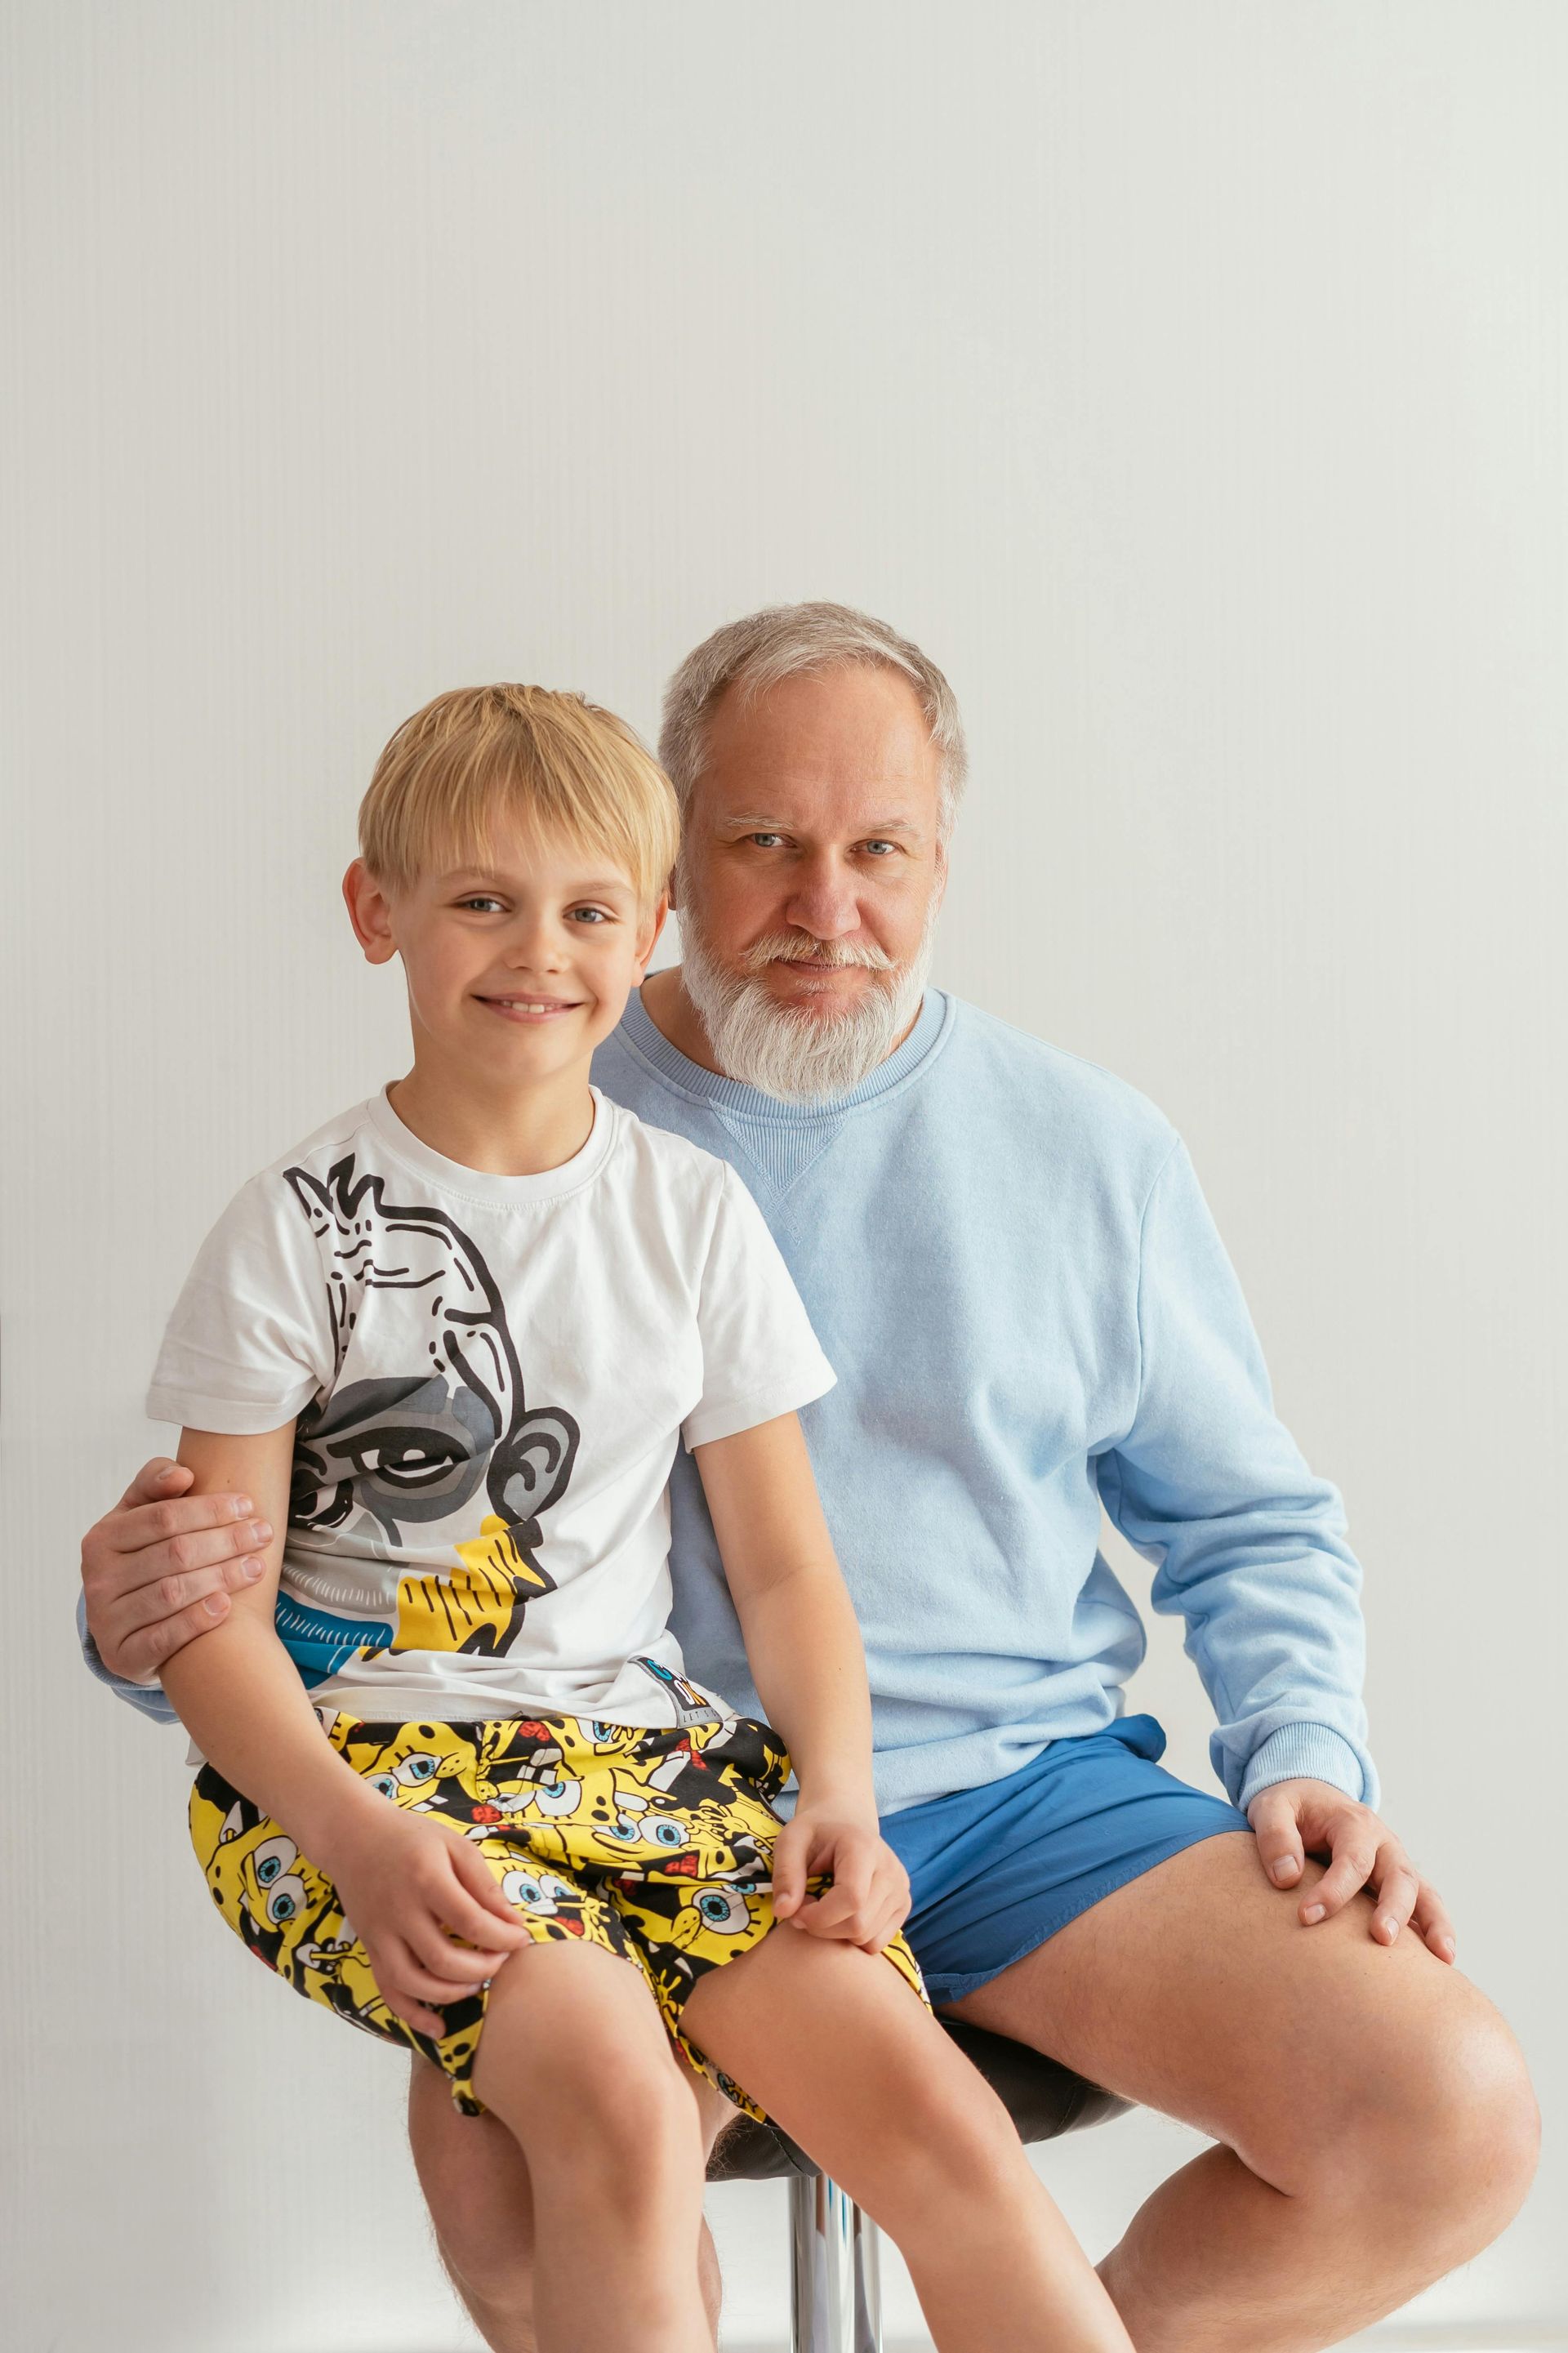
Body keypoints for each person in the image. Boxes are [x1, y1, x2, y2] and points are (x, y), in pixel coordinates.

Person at [82, 610, 1539, 2353]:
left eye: (881, 851)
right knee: (540, 2233)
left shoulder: (1086, 1146)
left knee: (1445, 2112)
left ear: (942, 864)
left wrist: (1304, 1744)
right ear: (674, 859)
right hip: (617, 1787)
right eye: (766, 841)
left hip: (1020, 1790)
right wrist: (136, 1617)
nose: (824, 905)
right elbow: (300, 1572)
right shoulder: (525, 1086)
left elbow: (1246, 1513)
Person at [132, 680, 1137, 2353]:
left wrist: (839, 1789)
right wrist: (357, 1839)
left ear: (651, 921)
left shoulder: (689, 1209)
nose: (540, 952)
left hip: (643, 1764)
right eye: (481, 901)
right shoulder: (294, 1229)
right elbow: (207, 1627)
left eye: (590, 909)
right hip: (359, 1779)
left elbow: (786, 1565)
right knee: (616, 2094)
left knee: (937, 2123)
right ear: (377, 911)